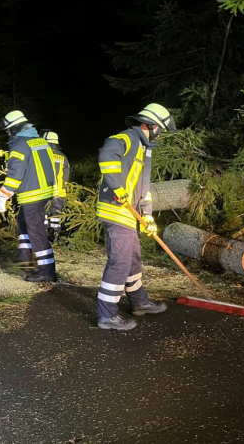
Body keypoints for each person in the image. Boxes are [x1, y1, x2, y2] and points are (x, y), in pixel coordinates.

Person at [95, 104, 176, 330]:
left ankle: (139, 303)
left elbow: (144, 187)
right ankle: (106, 315)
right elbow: (107, 155)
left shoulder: (143, 149)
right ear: (150, 125)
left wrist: (148, 216)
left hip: (130, 215)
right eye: (160, 129)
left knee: (133, 260)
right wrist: (118, 188)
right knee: (120, 263)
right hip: (117, 211)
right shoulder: (128, 138)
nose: (161, 134)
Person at [0, 111, 57, 282]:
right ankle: (25, 256)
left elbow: (16, 173)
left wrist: (3, 195)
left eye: (8, 130)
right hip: (43, 193)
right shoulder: (40, 141)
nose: (7, 133)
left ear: (14, 129)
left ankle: (47, 271)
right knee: (25, 223)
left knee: (36, 232)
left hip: (32, 195)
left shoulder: (20, 145)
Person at [41, 130, 69, 243]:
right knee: (56, 215)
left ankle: (44, 236)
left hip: (45, 191)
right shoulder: (63, 157)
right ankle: (56, 236)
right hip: (60, 193)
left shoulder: (42, 156)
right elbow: (66, 176)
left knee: (43, 215)